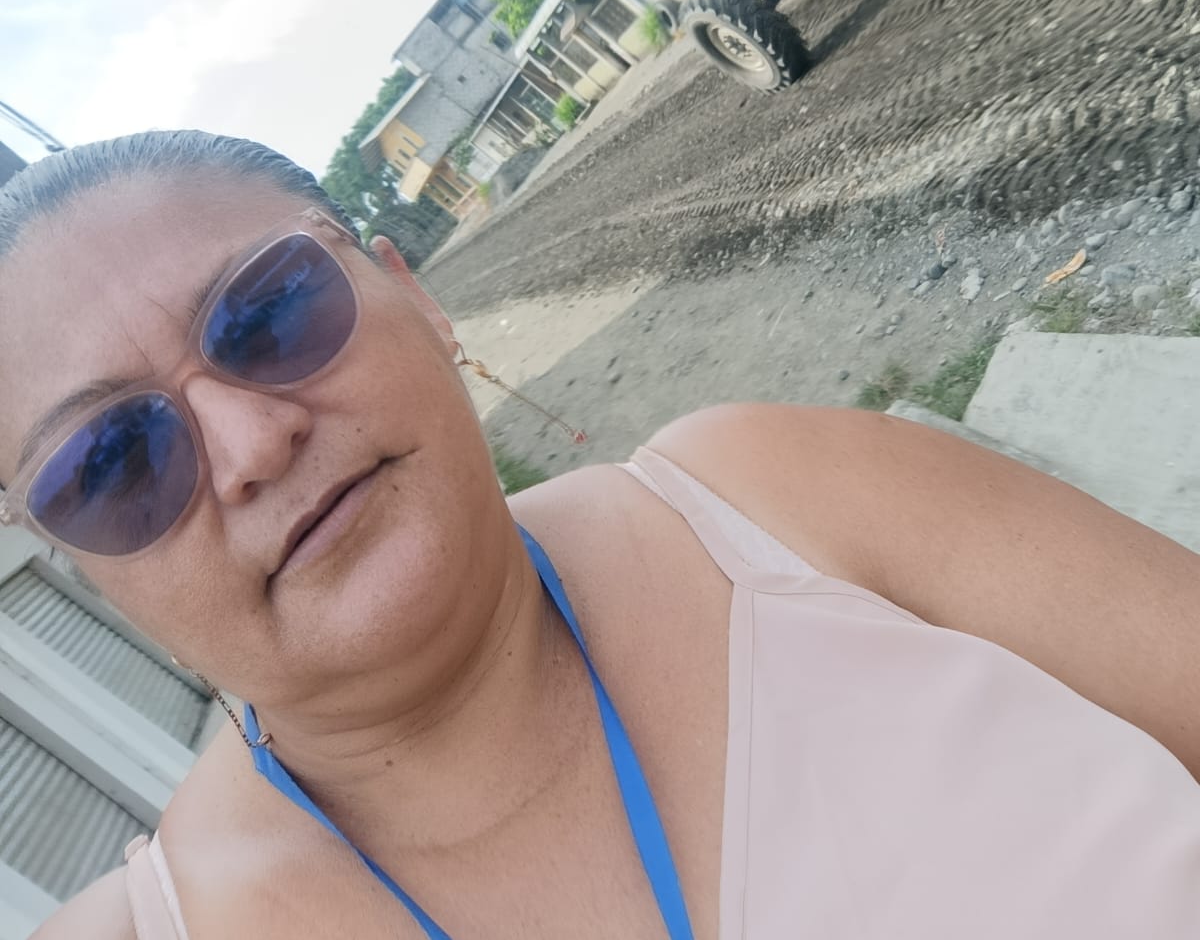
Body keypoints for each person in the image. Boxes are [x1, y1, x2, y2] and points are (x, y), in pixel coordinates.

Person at [2, 131, 1198, 940]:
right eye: (111, 464)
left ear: (413, 293)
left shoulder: (787, 507)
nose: (252, 445)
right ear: (83, 573)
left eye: (268, 310)